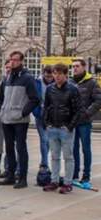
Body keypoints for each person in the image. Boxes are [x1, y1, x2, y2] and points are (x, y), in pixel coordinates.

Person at [0, 51, 40, 189]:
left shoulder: (27, 78)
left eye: (15, 60)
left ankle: (22, 178)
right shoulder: (8, 77)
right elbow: (2, 97)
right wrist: (1, 111)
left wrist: (22, 113)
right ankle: (10, 175)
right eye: (11, 59)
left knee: (21, 148)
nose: (12, 62)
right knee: (9, 148)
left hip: (20, 120)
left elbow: (35, 99)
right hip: (6, 118)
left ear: (21, 61)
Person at [42, 63, 83, 194]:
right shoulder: (49, 89)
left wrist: (70, 126)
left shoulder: (73, 89)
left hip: (66, 128)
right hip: (52, 127)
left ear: (65, 74)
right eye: (55, 73)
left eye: (60, 73)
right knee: (54, 156)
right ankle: (54, 181)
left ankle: (67, 182)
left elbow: (78, 110)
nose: (57, 76)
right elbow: (46, 107)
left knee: (68, 157)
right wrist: (46, 123)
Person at [71, 59, 101, 185]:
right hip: (72, 122)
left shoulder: (92, 82)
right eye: (73, 67)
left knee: (86, 149)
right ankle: (74, 174)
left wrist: (87, 113)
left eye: (77, 66)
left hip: (84, 122)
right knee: (73, 149)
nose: (75, 68)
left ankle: (86, 174)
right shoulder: (70, 82)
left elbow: (98, 100)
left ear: (84, 67)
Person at [32, 66, 54, 172]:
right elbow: (33, 98)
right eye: (47, 76)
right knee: (44, 139)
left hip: (52, 117)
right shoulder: (37, 83)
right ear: (43, 73)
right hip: (40, 115)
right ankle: (44, 164)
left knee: (48, 141)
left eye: (51, 76)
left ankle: (44, 161)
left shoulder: (56, 84)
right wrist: (36, 112)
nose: (49, 78)